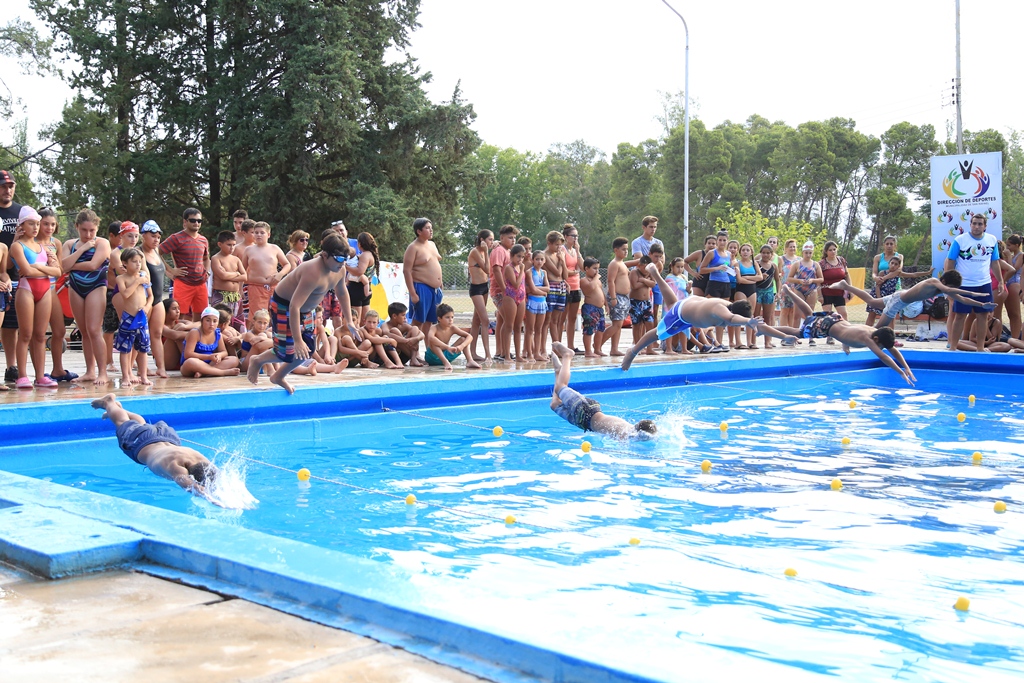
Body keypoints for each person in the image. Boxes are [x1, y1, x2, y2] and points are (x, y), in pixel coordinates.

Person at [246, 232, 356, 393]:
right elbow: (293, 307)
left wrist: (350, 322)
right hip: (284, 306)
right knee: (288, 352)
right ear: (325, 255)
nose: (343, 263)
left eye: (345, 259)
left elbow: (342, 292)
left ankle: (278, 376)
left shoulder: (339, 269)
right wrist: (297, 340)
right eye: (339, 259)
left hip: (306, 310)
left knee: (307, 351)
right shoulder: (312, 272)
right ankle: (257, 360)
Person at [622, 263, 786, 371]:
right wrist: (748, 321)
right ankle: (633, 351)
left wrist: (786, 336)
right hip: (682, 315)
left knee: (672, 301)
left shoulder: (727, 304)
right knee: (658, 334)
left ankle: (656, 274)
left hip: (688, 305)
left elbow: (762, 326)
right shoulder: (722, 310)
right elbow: (731, 319)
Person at [91, 393, 223, 504]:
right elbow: (188, 484)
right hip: (141, 444)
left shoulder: (201, 460)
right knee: (122, 422)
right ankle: (109, 403)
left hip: (167, 437)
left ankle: (119, 409)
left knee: (141, 425)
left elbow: (217, 474)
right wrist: (209, 498)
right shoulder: (175, 467)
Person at [777, 285, 916, 385]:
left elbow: (892, 349)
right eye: (880, 345)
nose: (879, 348)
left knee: (809, 314)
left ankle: (788, 291)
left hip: (836, 319)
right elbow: (884, 357)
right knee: (799, 333)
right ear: (876, 340)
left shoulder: (873, 331)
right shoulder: (869, 339)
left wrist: (907, 366)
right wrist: (901, 372)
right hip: (827, 327)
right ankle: (770, 328)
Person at [551, 342, 656, 439]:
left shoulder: (630, 434)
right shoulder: (626, 434)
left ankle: (558, 371)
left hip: (586, 424)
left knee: (555, 404)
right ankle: (567, 355)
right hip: (587, 411)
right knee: (560, 386)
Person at [834, 270, 993, 328]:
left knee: (872, 302)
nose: (949, 290)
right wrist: (975, 293)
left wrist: (981, 303)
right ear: (945, 281)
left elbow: (961, 299)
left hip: (900, 295)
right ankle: (851, 334)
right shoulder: (934, 282)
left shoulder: (941, 287)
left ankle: (845, 285)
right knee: (876, 329)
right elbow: (950, 290)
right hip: (898, 302)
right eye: (949, 286)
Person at [11, 207, 61, 387]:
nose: (35, 227)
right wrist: (44, 269)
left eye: (37, 224)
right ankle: (22, 375)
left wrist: (38, 268)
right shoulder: (17, 246)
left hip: (45, 291)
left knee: (40, 335)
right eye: (31, 223)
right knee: (25, 334)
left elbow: (58, 271)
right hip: (27, 289)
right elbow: (25, 270)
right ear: (22, 225)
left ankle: (40, 376)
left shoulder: (43, 247)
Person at [60, 209, 112, 384]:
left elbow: (93, 265)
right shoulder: (69, 244)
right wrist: (82, 249)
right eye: (84, 230)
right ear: (76, 227)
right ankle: (90, 371)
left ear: (97, 228)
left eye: (92, 230)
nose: (88, 234)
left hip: (96, 286)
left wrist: (71, 265)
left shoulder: (102, 243)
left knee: (94, 329)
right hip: (76, 287)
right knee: (83, 331)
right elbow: (62, 266)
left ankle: (102, 372)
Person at [944, 213, 1004, 352]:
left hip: (984, 283)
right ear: (970, 224)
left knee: (983, 316)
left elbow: (995, 262)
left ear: (985, 226)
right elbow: (950, 261)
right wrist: (948, 286)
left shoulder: (991, 240)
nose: (976, 226)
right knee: (959, 316)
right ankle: (952, 347)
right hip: (964, 284)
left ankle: (980, 348)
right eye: (974, 223)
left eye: (980, 224)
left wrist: (1000, 281)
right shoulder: (960, 240)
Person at [158, 208, 210, 321]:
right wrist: (170, 270)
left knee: (202, 316)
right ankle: (177, 338)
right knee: (178, 316)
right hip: (183, 283)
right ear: (185, 222)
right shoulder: (176, 238)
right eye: (192, 220)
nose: (196, 223)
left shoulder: (203, 240)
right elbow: (157, 252)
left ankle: (195, 338)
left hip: (201, 283)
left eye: (199, 221)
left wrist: (207, 271)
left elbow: (206, 258)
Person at [113, 247, 154, 386]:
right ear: (124, 263)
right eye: (134, 262)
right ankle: (125, 376)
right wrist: (137, 282)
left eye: (139, 262)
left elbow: (151, 296)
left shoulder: (144, 276)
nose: (138, 264)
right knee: (125, 348)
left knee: (143, 348)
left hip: (142, 317)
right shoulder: (121, 278)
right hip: (128, 317)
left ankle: (143, 376)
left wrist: (148, 306)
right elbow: (125, 294)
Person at [242, 221, 292, 327]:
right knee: (256, 317)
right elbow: (242, 271)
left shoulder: (275, 248)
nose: (258, 235)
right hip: (256, 288)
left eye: (262, 232)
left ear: (268, 234)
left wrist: (280, 275)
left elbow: (287, 265)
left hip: (274, 287)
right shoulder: (248, 250)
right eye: (256, 232)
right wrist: (240, 288)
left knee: (276, 314)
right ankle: (253, 339)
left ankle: (272, 340)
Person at [403, 217, 444, 340]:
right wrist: (413, 293)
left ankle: (428, 351)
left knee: (430, 322)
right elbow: (406, 270)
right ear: (419, 231)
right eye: (427, 228)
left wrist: (440, 283)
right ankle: (413, 353)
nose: (431, 230)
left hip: (435, 289)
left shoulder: (432, 244)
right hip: (421, 287)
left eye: (431, 228)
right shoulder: (413, 247)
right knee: (418, 322)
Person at [0, 170, 24, 382]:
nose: (7, 190)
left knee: (12, 325)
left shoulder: (21, 212)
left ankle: (12, 367)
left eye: (10, 186)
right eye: (3, 186)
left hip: (18, 275)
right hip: (0, 276)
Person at [181, 306, 241, 378]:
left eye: (215, 321)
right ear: (202, 321)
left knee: (234, 360)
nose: (211, 324)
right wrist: (209, 357)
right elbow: (188, 354)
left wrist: (219, 355)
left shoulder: (217, 334)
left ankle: (203, 372)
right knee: (191, 362)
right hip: (194, 364)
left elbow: (224, 352)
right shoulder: (195, 333)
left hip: (211, 363)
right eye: (208, 320)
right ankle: (222, 372)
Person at [425, 303, 481, 370]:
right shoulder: (434, 328)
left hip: (447, 355)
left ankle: (470, 361)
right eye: (447, 317)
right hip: (433, 357)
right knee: (434, 342)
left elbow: (470, 336)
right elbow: (431, 338)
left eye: (452, 317)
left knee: (463, 339)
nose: (450, 320)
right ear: (439, 319)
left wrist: (462, 346)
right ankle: (446, 363)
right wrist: (447, 347)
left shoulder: (452, 328)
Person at [490, 225, 518, 362]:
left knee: (503, 321)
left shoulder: (508, 251)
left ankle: (501, 351)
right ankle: (503, 352)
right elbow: (496, 270)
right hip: (500, 291)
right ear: (501, 238)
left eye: (514, 238)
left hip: (509, 291)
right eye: (510, 237)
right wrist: (503, 289)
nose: (513, 240)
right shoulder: (499, 251)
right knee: (508, 321)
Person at [211, 230, 247, 331]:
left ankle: (236, 343)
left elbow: (245, 277)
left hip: (235, 296)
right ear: (220, 244)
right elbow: (222, 276)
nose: (232, 248)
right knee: (220, 320)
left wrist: (229, 275)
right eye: (229, 245)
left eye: (234, 245)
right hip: (221, 295)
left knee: (237, 322)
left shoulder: (236, 259)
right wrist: (236, 274)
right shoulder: (216, 258)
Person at [467, 229, 492, 362]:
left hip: (484, 288)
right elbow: (487, 269)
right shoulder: (475, 252)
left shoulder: (483, 251)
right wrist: (487, 252)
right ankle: (488, 354)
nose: (492, 242)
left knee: (476, 321)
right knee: (485, 320)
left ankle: (473, 352)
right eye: (490, 240)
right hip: (476, 289)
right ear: (483, 240)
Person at [501, 244, 527, 362]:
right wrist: (522, 270)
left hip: (521, 298)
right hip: (510, 297)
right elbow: (516, 284)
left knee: (518, 326)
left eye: (522, 257)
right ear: (511, 256)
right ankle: (506, 355)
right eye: (518, 257)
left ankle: (518, 355)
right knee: (509, 325)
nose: (520, 260)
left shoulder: (519, 267)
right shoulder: (509, 268)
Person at [542, 230, 567, 350]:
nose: (559, 247)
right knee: (548, 319)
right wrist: (561, 260)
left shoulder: (558, 255)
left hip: (561, 286)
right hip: (551, 286)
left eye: (560, 245)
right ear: (549, 243)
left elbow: (564, 276)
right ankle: (543, 347)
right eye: (556, 244)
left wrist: (562, 261)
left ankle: (557, 346)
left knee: (557, 320)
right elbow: (557, 273)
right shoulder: (545, 256)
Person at [606, 237, 631, 356]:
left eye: (627, 249)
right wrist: (613, 297)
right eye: (623, 249)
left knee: (619, 325)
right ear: (616, 250)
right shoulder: (614, 264)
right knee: (616, 324)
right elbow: (610, 281)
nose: (626, 251)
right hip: (617, 297)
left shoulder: (622, 264)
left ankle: (614, 348)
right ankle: (598, 344)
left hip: (624, 297)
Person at [347, 232, 379, 325]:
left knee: (355, 320)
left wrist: (346, 267)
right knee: (364, 321)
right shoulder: (372, 254)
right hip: (366, 287)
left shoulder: (365, 255)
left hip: (357, 288)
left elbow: (359, 271)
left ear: (360, 244)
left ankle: (356, 339)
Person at [628, 254, 657, 355]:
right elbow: (635, 286)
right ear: (638, 265)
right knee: (637, 325)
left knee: (650, 323)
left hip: (646, 302)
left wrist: (644, 280)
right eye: (644, 267)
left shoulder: (650, 273)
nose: (645, 270)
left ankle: (649, 348)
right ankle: (637, 347)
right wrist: (647, 282)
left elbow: (654, 283)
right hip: (636, 302)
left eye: (647, 267)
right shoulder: (634, 272)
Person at [753, 244, 781, 349]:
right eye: (763, 253)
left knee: (768, 318)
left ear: (771, 254)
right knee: (755, 317)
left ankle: (768, 341)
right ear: (760, 254)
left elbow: (778, 280)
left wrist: (778, 292)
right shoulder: (756, 264)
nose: (765, 255)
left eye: (768, 253)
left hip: (769, 291)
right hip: (758, 291)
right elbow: (752, 277)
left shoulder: (774, 266)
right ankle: (753, 341)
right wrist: (759, 278)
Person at [525, 250, 550, 362]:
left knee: (539, 329)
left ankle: (537, 353)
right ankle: (529, 353)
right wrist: (542, 291)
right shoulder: (529, 272)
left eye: (541, 259)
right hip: (532, 302)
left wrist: (538, 291)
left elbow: (547, 288)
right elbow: (531, 288)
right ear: (532, 260)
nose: (539, 261)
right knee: (530, 329)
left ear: (544, 261)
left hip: (542, 302)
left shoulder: (544, 273)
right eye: (537, 259)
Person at [580, 256, 608, 358]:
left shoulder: (598, 281)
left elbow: (602, 293)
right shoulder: (584, 280)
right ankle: (588, 351)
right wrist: (596, 278)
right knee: (589, 330)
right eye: (594, 268)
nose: (597, 271)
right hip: (590, 308)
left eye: (598, 268)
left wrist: (606, 305)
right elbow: (590, 288)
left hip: (599, 309)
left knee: (600, 329)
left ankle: (597, 349)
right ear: (586, 269)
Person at [818, 240, 851, 326]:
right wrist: (819, 295)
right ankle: (829, 337)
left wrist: (850, 290)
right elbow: (818, 280)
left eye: (834, 249)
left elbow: (847, 275)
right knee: (828, 315)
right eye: (830, 250)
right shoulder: (821, 263)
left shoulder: (841, 260)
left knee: (843, 314)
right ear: (826, 251)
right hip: (826, 292)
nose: (833, 252)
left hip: (839, 292)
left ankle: (846, 333)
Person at [561, 224, 583, 352]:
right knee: (562, 317)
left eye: (577, 236)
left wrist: (578, 251)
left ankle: (571, 345)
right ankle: (558, 345)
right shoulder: (562, 250)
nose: (575, 238)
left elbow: (583, 266)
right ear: (566, 237)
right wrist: (574, 272)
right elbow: (564, 271)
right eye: (573, 236)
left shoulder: (574, 251)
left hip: (576, 286)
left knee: (573, 317)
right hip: (566, 286)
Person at [382, 301, 425, 366]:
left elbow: (422, 334)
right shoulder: (385, 325)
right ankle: (414, 358)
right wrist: (406, 340)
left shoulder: (404, 325)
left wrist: (415, 339)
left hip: (405, 355)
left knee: (415, 328)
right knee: (394, 331)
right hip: (393, 356)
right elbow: (387, 334)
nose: (405, 317)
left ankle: (413, 358)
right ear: (394, 316)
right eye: (403, 315)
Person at [1001, 234, 1022, 341]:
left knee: (1015, 313)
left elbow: (1013, 269)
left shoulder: (1021, 256)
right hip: (1007, 283)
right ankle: (1013, 338)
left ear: (1016, 245)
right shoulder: (1012, 256)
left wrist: (1009, 257)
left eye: (1009, 245)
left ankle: (1017, 337)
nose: (1007, 248)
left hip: (1015, 283)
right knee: (1010, 313)